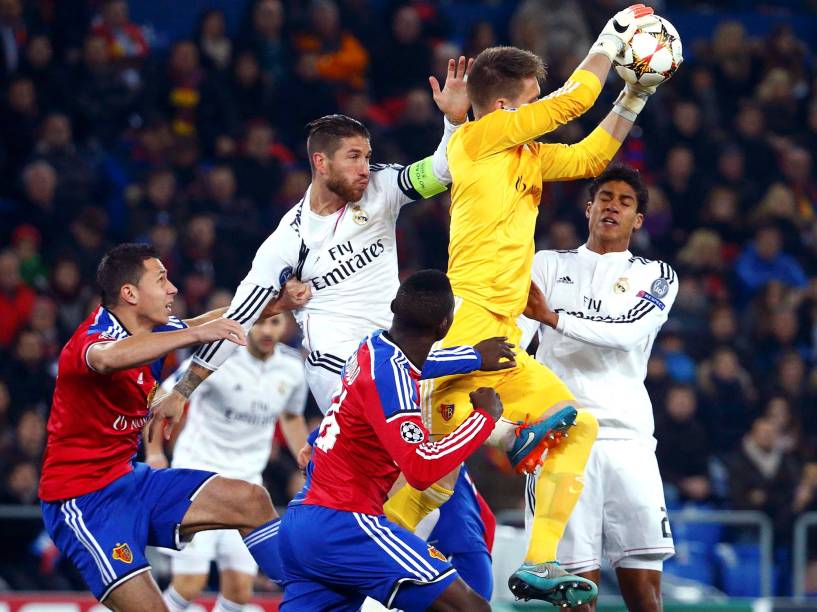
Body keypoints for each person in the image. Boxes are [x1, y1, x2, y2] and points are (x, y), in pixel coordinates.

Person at [151, 57, 526, 601]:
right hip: (341, 368)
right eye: (355, 157)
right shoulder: (288, 243)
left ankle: (359, 556)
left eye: (369, 156)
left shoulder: (381, 192)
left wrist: (452, 121)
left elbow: (441, 171)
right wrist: (183, 388)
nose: (366, 167)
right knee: (415, 476)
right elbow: (236, 321)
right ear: (321, 163)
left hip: (404, 355)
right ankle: (497, 435)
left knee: (443, 497)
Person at [388, 4, 668, 605]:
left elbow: (592, 157)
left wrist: (634, 98)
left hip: (503, 337)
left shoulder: (527, 159)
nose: (543, 110)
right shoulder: (478, 139)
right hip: (464, 327)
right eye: (531, 100)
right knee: (426, 486)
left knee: (576, 425)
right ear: (504, 109)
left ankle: (540, 563)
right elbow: (570, 102)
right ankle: (352, 567)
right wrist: (609, 41)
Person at [38, 244, 296, 610]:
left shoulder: (155, 329)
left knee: (250, 500)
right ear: (129, 293)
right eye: (161, 279)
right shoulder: (93, 340)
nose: (172, 288)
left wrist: (277, 305)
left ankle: (308, 599)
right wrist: (195, 337)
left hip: (130, 481)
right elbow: (110, 357)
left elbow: (211, 321)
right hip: (83, 501)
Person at [279, 269, 502, 611]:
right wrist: (484, 418)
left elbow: (413, 365)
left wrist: (472, 357)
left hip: (302, 524)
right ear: (445, 325)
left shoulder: (372, 345)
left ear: (395, 305)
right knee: (471, 608)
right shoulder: (392, 381)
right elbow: (422, 467)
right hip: (347, 525)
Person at [520, 165, 678, 611]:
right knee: (573, 592)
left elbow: (627, 332)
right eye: (605, 197)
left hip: (628, 441)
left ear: (638, 220)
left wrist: (554, 318)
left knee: (645, 592)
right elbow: (511, 338)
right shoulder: (546, 264)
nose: (613, 205)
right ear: (589, 208)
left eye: (626, 202)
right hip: (560, 438)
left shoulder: (657, 275)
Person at [145, 313, 309, 612]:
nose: (266, 330)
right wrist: (155, 453)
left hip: (247, 487)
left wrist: (307, 463)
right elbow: (162, 398)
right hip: (197, 479)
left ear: (286, 325)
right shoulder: (217, 357)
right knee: (189, 585)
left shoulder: (292, 368)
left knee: (239, 591)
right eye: (260, 322)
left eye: (275, 323)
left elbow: (290, 415)